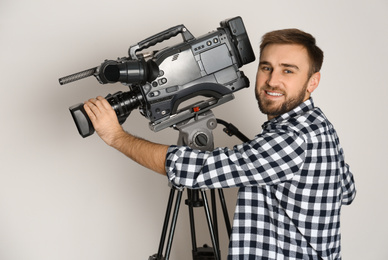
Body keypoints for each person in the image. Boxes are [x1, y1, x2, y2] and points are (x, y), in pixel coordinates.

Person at [84, 28, 356, 259]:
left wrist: (116, 137)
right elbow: (347, 191)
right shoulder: (319, 126)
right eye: (266, 67)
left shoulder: (292, 138)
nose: (273, 80)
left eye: (288, 71)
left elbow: (191, 169)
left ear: (313, 82)